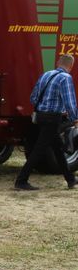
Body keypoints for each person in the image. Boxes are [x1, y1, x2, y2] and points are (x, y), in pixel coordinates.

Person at [15, 54, 78, 191]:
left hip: (40, 116)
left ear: (57, 62)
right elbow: (70, 102)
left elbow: (33, 98)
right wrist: (75, 118)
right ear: (71, 66)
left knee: (58, 149)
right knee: (39, 150)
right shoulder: (66, 78)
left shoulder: (46, 75)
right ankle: (21, 180)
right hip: (52, 119)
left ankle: (70, 179)